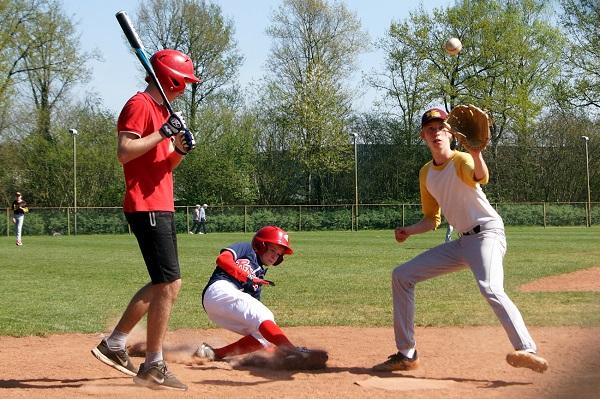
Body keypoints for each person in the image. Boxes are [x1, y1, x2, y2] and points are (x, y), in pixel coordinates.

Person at [372, 108, 548, 373]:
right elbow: (432, 220)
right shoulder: (426, 173)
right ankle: (406, 354)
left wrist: (477, 154)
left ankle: (527, 348)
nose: (437, 133)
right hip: (462, 242)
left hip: (488, 233)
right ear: (423, 136)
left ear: (451, 134)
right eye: (430, 129)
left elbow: (480, 177)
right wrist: (408, 230)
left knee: (490, 287)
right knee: (402, 275)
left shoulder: (462, 159)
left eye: (442, 128)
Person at [91, 49, 200, 391]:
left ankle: (116, 343)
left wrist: (178, 148)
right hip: (146, 205)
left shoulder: (160, 110)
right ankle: (152, 363)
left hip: (160, 202)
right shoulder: (140, 105)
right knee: (168, 284)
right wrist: (164, 132)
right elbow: (125, 152)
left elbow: (162, 165)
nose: (185, 88)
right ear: (171, 78)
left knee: (164, 283)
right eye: (184, 82)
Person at [193, 226, 299, 361]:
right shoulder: (246, 248)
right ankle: (292, 351)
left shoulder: (259, 276)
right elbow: (222, 259)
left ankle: (213, 353)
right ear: (261, 245)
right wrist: (246, 276)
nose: (274, 256)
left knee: (263, 335)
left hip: (221, 307)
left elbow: (255, 313)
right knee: (265, 315)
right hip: (219, 289)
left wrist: (271, 349)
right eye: (272, 250)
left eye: (278, 254)